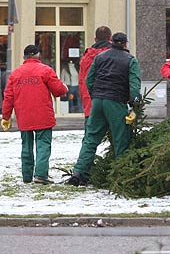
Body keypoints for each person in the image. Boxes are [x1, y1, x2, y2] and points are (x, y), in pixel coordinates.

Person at [67, 32, 141, 186]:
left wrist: (96, 94)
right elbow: (134, 86)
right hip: (115, 102)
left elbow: (89, 79)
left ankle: (79, 173)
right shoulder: (130, 60)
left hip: (98, 102)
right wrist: (133, 103)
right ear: (126, 44)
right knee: (120, 139)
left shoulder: (99, 57)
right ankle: (120, 174)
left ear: (112, 42)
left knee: (91, 138)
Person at [1, 45, 68, 184]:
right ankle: (41, 175)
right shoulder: (45, 70)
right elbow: (58, 91)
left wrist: (6, 116)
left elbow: (8, 97)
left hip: (24, 116)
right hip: (43, 115)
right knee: (43, 145)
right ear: (38, 55)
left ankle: (26, 176)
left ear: (24, 57)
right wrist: (65, 87)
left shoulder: (15, 74)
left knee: (26, 146)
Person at [78, 26, 112, 125]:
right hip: (112, 101)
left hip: (90, 102)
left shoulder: (86, 57)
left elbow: (81, 81)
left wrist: (83, 97)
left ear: (95, 39)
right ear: (110, 39)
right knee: (116, 136)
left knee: (90, 136)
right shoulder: (115, 56)